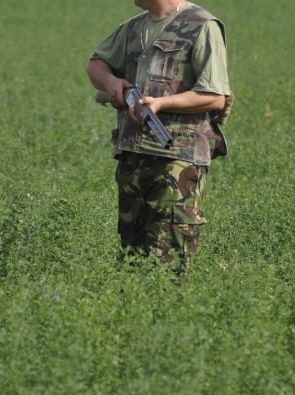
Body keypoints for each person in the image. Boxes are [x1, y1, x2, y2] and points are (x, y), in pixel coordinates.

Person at [86, 0, 231, 273]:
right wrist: (112, 83)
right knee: (132, 260)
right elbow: (96, 64)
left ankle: (168, 314)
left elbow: (214, 96)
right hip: (133, 156)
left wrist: (161, 104)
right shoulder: (133, 27)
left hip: (177, 159)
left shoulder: (202, 26)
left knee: (169, 262)